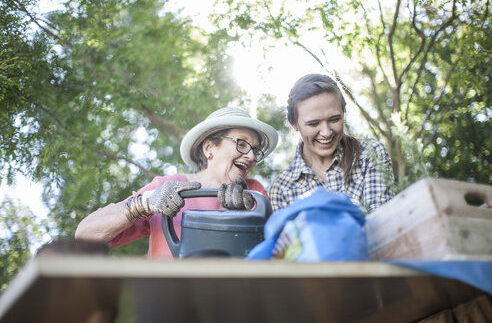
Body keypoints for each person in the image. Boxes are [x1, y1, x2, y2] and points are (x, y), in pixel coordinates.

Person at [75, 107, 278, 258]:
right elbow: (85, 237)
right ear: (209, 148)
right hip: (168, 302)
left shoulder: (254, 192)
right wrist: (145, 203)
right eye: (241, 143)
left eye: (255, 150)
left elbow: (277, 250)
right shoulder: (169, 187)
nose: (251, 156)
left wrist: (249, 218)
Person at [269, 73, 394, 214]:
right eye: (313, 123)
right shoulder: (281, 189)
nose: (326, 132)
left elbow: (383, 221)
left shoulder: (370, 154)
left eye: (334, 119)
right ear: (294, 124)